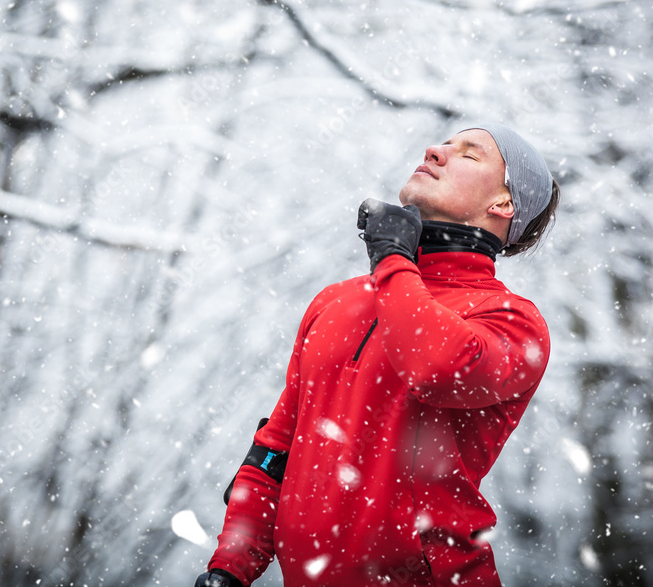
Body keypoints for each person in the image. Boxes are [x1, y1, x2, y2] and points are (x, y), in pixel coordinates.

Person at [194, 124, 560, 587]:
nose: (437, 150)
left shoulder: (513, 321)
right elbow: (276, 452)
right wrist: (229, 567)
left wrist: (392, 259)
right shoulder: (335, 301)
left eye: (469, 155)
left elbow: (435, 367)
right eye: (445, 142)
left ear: (503, 205)